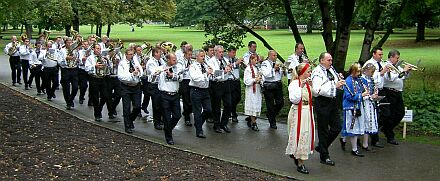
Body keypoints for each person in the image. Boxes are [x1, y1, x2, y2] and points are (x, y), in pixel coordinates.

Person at [311, 52, 345, 166]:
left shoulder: (331, 70)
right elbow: (316, 90)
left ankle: (322, 146)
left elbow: (333, 82)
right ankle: (324, 156)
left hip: (332, 101)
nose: (331, 62)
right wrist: (334, 86)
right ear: (321, 61)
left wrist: (339, 81)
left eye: (331, 60)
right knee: (323, 129)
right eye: (328, 60)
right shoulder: (317, 72)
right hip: (322, 102)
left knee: (337, 127)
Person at [285, 63, 314, 174]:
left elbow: (315, 94)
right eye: (308, 72)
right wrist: (300, 87)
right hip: (298, 112)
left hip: (307, 111)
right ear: (302, 73)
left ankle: (298, 156)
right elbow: (295, 100)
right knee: (301, 135)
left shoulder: (308, 83)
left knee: (306, 135)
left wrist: (312, 86)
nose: (310, 73)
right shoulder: (294, 84)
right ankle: (300, 163)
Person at [380, 49, 411, 145]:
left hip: (398, 93)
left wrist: (407, 72)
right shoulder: (386, 65)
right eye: (397, 58)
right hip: (389, 92)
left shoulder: (397, 67)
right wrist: (403, 72)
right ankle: (390, 135)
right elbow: (391, 78)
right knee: (391, 114)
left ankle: (386, 128)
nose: (398, 60)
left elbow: (404, 77)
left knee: (400, 113)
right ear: (391, 57)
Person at [363, 47, 388, 148]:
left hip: (381, 89)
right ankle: (374, 139)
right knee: (375, 115)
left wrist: (388, 72)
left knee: (386, 113)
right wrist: (381, 73)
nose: (381, 56)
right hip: (371, 91)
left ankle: (375, 130)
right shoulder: (368, 63)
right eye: (379, 54)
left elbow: (387, 78)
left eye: (382, 54)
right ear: (374, 54)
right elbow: (368, 77)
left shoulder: (382, 63)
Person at [341, 63, 367, 157]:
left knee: (353, 127)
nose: (359, 73)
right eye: (358, 71)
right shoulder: (348, 81)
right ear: (353, 71)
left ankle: (343, 139)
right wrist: (361, 95)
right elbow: (348, 96)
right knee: (352, 127)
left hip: (358, 106)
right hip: (350, 107)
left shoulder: (358, 80)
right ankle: (354, 149)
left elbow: (365, 84)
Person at [158, 53, 183, 145]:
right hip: (165, 95)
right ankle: (169, 137)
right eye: (173, 60)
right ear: (168, 60)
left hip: (175, 95)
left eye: (175, 59)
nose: (175, 61)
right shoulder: (161, 68)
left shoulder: (177, 68)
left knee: (177, 115)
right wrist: (157, 73)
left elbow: (181, 78)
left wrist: (172, 75)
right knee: (167, 118)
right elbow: (151, 79)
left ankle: (167, 128)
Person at [207, 45, 232, 133]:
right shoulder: (211, 61)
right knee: (216, 106)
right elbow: (214, 74)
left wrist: (230, 67)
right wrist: (224, 71)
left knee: (228, 104)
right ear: (215, 52)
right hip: (216, 85)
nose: (222, 54)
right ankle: (216, 125)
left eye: (222, 52)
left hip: (226, 84)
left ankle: (224, 123)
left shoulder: (225, 60)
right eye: (220, 52)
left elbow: (228, 70)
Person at [85, 44, 113, 122]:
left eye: (100, 49)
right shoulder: (90, 58)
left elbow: (109, 68)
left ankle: (99, 109)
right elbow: (87, 68)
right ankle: (97, 114)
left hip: (103, 78)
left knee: (105, 96)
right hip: (94, 78)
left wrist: (107, 60)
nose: (99, 50)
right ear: (93, 49)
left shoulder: (103, 58)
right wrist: (95, 66)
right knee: (95, 98)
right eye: (97, 48)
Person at [118, 49, 143, 134]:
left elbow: (141, 72)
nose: (131, 56)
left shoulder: (135, 61)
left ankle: (130, 119)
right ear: (126, 55)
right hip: (126, 87)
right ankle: (127, 126)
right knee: (126, 107)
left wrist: (139, 72)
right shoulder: (122, 63)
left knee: (137, 106)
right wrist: (132, 75)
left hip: (136, 87)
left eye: (132, 54)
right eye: (129, 54)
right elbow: (121, 77)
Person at [189, 50, 213, 138]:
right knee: (197, 111)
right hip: (196, 90)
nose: (203, 58)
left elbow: (209, 77)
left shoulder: (205, 65)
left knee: (208, 110)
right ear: (196, 57)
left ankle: (198, 123)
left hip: (205, 90)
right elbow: (196, 78)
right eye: (201, 56)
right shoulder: (193, 66)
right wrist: (206, 73)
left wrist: (211, 73)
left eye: (204, 56)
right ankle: (199, 131)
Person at [260, 50, 284, 129]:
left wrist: (283, 69)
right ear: (269, 56)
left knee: (280, 103)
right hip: (269, 85)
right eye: (274, 55)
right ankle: (272, 122)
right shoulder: (265, 63)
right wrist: (274, 69)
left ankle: (270, 114)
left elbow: (281, 73)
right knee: (269, 104)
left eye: (276, 55)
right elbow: (266, 74)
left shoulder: (278, 62)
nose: (275, 57)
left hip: (277, 84)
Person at [360, 63, 379, 151]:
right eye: (371, 72)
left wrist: (375, 93)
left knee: (368, 122)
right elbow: (361, 94)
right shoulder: (361, 79)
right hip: (364, 103)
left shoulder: (370, 79)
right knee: (364, 121)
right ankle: (345, 139)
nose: (372, 74)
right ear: (366, 70)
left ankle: (365, 143)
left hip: (370, 103)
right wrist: (371, 96)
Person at [146, 48, 166, 130]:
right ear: (155, 53)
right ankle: (156, 122)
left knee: (162, 103)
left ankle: (161, 119)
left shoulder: (161, 60)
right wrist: (162, 69)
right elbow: (154, 72)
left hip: (161, 84)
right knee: (156, 104)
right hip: (154, 85)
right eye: (159, 52)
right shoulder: (151, 62)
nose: (161, 54)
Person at [58, 38, 79, 110]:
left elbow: (77, 59)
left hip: (74, 69)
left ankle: (71, 99)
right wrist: (66, 58)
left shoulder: (75, 51)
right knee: (66, 87)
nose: (69, 44)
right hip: (66, 70)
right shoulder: (62, 51)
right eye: (68, 42)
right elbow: (59, 62)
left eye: (71, 42)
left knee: (75, 87)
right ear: (65, 43)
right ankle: (68, 103)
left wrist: (77, 59)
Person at [224, 47, 244, 123]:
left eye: (235, 53)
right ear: (229, 52)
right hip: (230, 81)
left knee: (238, 97)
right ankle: (233, 114)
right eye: (233, 53)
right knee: (231, 98)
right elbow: (228, 68)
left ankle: (231, 111)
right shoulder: (225, 60)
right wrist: (236, 63)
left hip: (236, 80)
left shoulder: (235, 59)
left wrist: (242, 64)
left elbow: (241, 68)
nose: (234, 54)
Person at [243, 54, 262, 131]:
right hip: (251, 90)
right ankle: (253, 123)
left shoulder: (257, 68)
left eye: (257, 60)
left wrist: (260, 79)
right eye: (254, 60)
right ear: (251, 60)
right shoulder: (248, 69)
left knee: (256, 106)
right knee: (252, 106)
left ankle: (252, 120)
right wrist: (254, 79)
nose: (256, 61)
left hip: (257, 89)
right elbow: (246, 81)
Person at [177, 44, 193, 126]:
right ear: (185, 54)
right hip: (184, 81)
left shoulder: (191, 61)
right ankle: (187, 118)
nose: (190, 56)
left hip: (191, 81)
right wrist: (187, 68)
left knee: (191, 100)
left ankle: (187, 112)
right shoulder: (181, 61)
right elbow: (179, 71)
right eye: (188, 55)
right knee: (186, 99)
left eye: (191, 55)